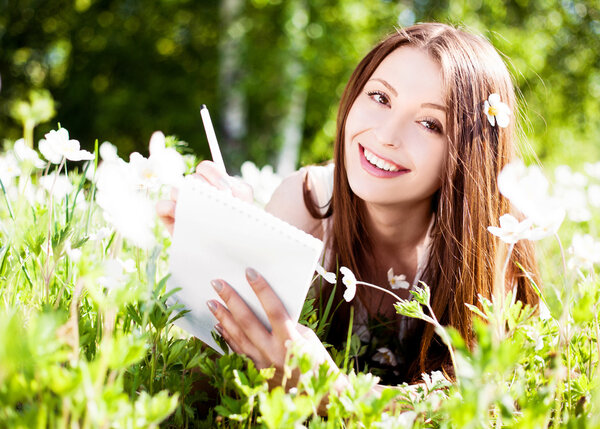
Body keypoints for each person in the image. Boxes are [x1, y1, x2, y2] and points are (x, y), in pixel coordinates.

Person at [157, 22, 539, 392]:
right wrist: (226, 253)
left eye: (428, 123)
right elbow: (210, 381)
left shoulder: (500, 240)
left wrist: (333, 394)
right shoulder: (306, 204)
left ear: (469, 155)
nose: (386, 135)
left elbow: (478, 405)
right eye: (380, 97)